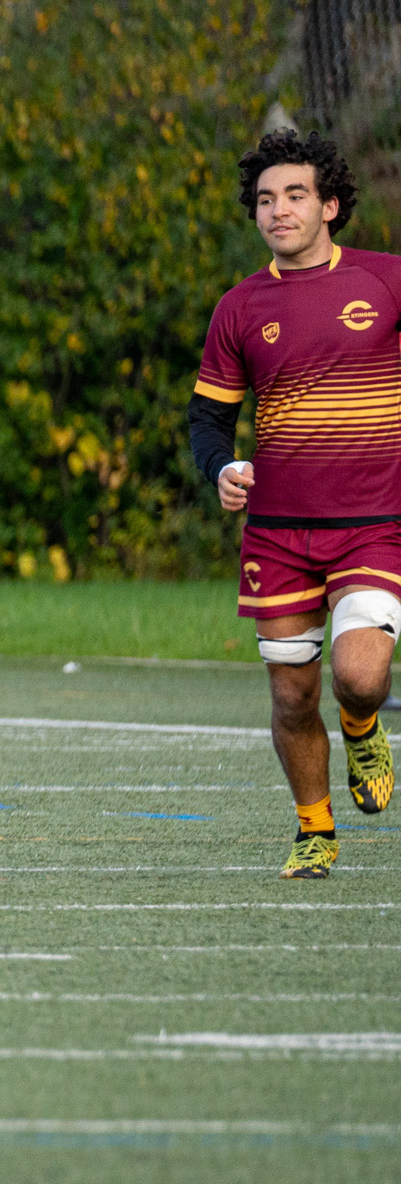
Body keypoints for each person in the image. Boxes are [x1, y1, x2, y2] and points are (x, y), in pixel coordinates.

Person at [190, 129, 401, 881]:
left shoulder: (387, 281)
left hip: (376, 525)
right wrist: (219, 467)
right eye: (266, 199)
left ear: (331, 205)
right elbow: (210, 419)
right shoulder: (240, 308)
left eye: (296, 195)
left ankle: (363, 724)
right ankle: (316, 829)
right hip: (278, 533)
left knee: (361, 674)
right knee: (289, 691)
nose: (278, 209)